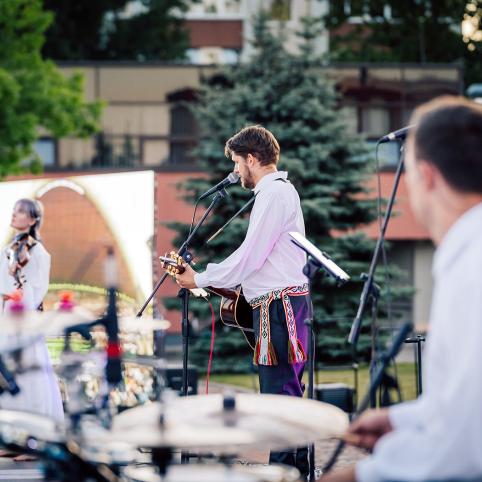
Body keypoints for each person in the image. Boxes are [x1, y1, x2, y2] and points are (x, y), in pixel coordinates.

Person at [322, 96, 482, 482]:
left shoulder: (471, 270)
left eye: (406, 171)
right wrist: (401, 419)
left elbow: (463, 452)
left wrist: (361, 475)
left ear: (427, 176)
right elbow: (463, 405)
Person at [175, 125, 310, 477]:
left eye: (237, 162)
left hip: (280, 308)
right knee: (284, 397)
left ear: (251, 159)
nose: (235, 171)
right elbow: (259, 263)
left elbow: (250, 256)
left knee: (280, 399)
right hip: (277, 305)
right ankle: (295, 472)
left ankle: (285, 474)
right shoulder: (274, 193)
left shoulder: (274, 194)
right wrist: (210, 280)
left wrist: (200, 278)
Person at [0, 199, 64, 442]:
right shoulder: (8, 249)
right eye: (14, 210)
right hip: (8, 320)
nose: (14, 215)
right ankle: (12, 438)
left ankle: (34, 438)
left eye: (20, 212)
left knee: (30, 376)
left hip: (25, 321)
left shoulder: (38, 252)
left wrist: (18, 300)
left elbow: (38, 289)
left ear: (33, 219)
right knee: (9, 377)